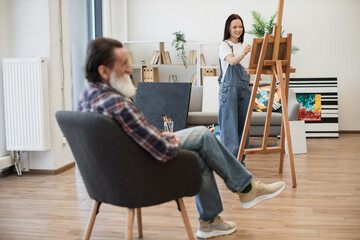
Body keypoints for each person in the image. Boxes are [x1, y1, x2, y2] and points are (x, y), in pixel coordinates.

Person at [78, 37, 285, 239]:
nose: (130, 69)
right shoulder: (116, 103)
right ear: (104, 71)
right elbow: (158, 148)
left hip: (108, 178)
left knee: (198, 153)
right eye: (123, 63)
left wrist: (159, 135)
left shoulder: (87, 97)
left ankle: (211, 221)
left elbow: (128, 138)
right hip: (135, 177)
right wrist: (167, 139)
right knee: (203, 136)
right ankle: (245, 189)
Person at [218, 14, 252, 163]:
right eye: (235, 27)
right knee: (229, 127)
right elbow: (231, 61)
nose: (238, 29)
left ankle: (240, 162)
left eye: (240, 26)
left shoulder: (244, 46)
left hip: (245, 88)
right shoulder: (224, 45)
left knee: (244, 127)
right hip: (229, 89)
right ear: (229, 29)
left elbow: (249, 69)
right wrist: (244, 54)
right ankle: (229, 165)